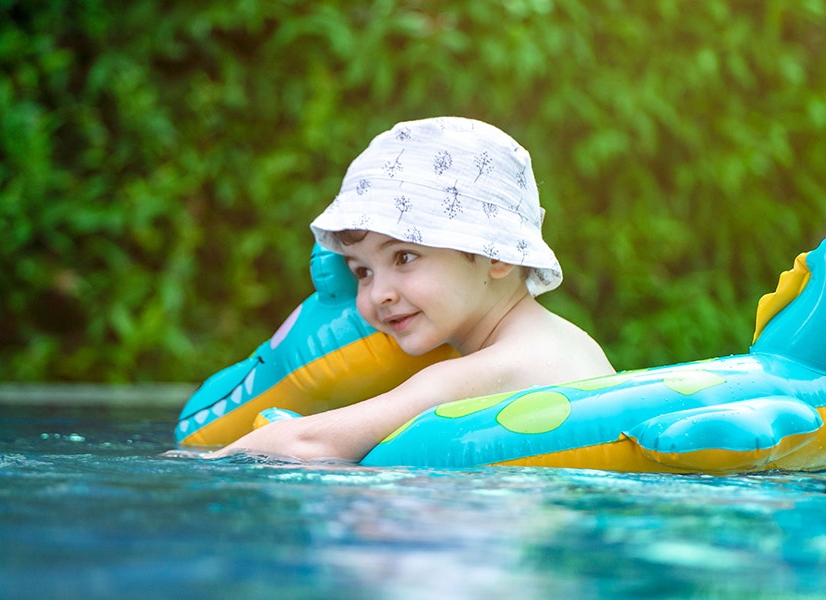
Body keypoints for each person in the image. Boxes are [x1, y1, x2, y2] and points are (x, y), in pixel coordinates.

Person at [213, 116, 614, 461]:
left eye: (404, 257)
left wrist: (209, 461)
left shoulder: (489, 370)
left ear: (497, 255)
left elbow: (308, 444)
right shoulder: (569, 343)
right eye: (362, 271)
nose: (376, 295)